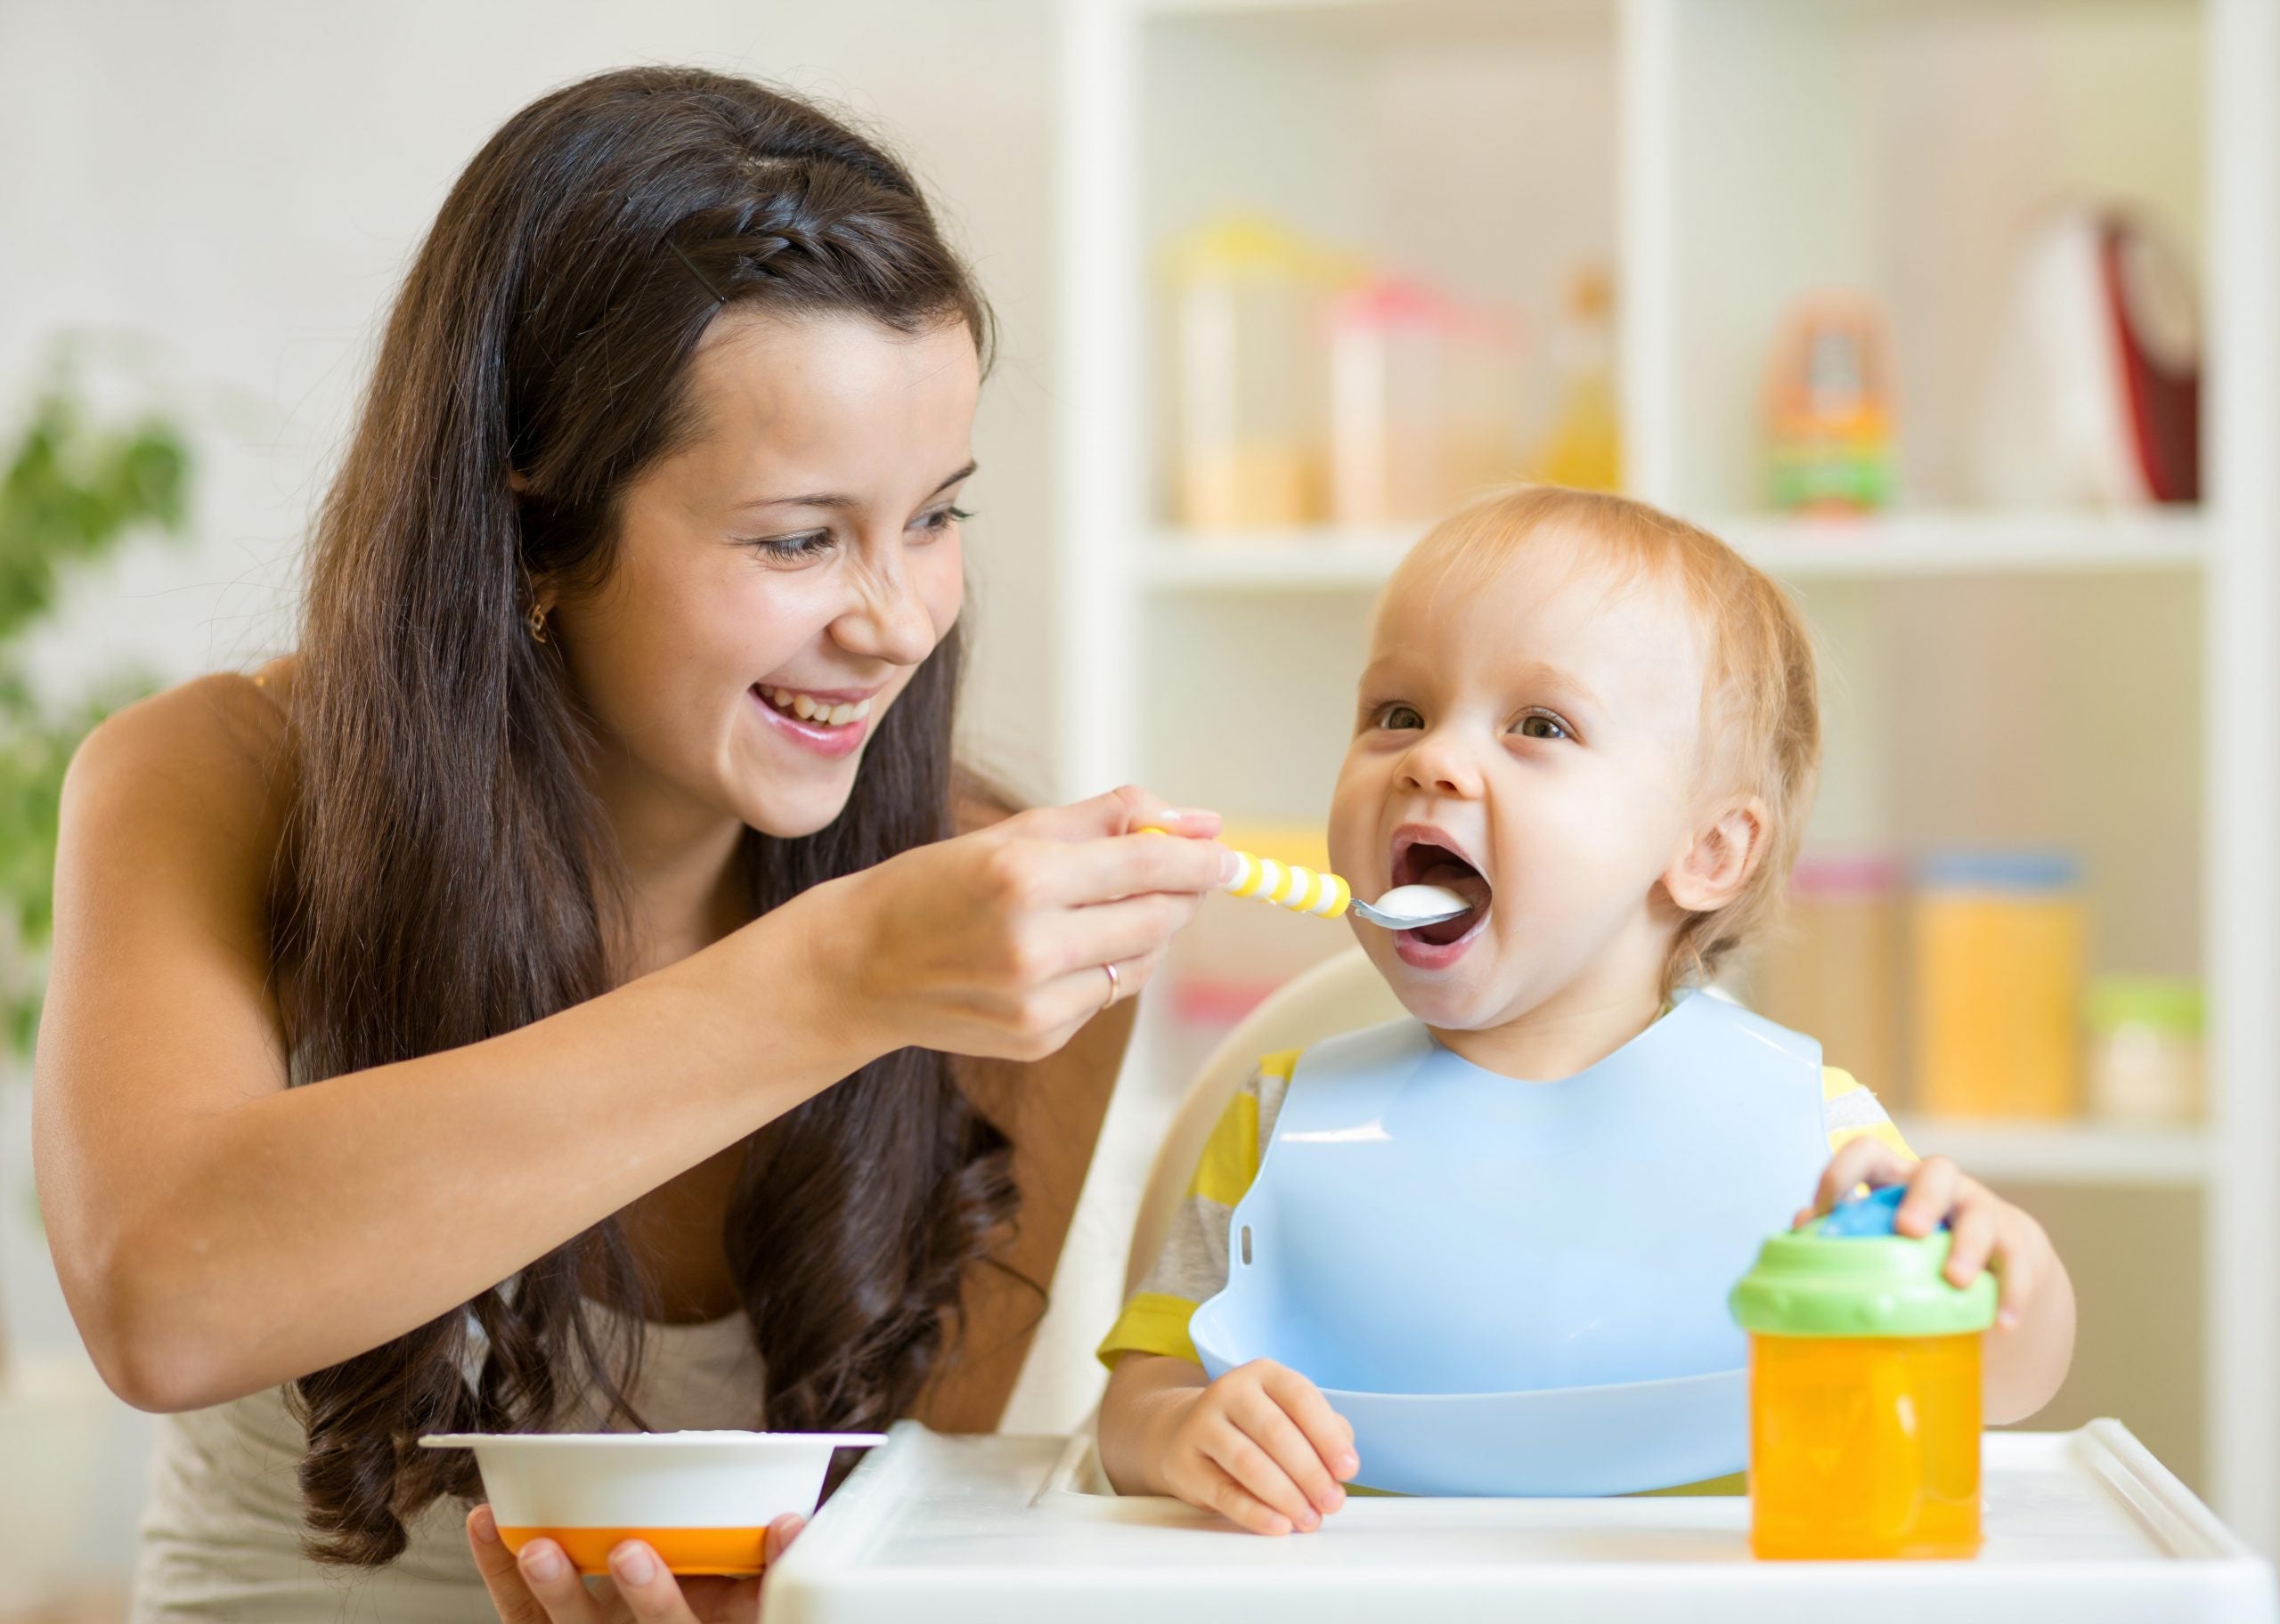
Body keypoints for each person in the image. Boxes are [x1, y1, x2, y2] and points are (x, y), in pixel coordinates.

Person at [36, 67, 1232, 1622]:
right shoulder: (221, 779)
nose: (895, 625)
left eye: (937, 517)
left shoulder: (994, 942)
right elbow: (163, 1294)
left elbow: (902, 1540)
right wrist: (838, 978)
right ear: (536, 529)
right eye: (798, 536)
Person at [1095, 485, 2076, 1533]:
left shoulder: (1813, 1142)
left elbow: (2004, 1383)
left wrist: (2001, 1264)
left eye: (1539, 725)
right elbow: (1129, 1413)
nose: (1430, 759)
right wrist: (1178, 1434)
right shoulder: (1278, 1124)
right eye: (1397, 713)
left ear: (1706, 852)